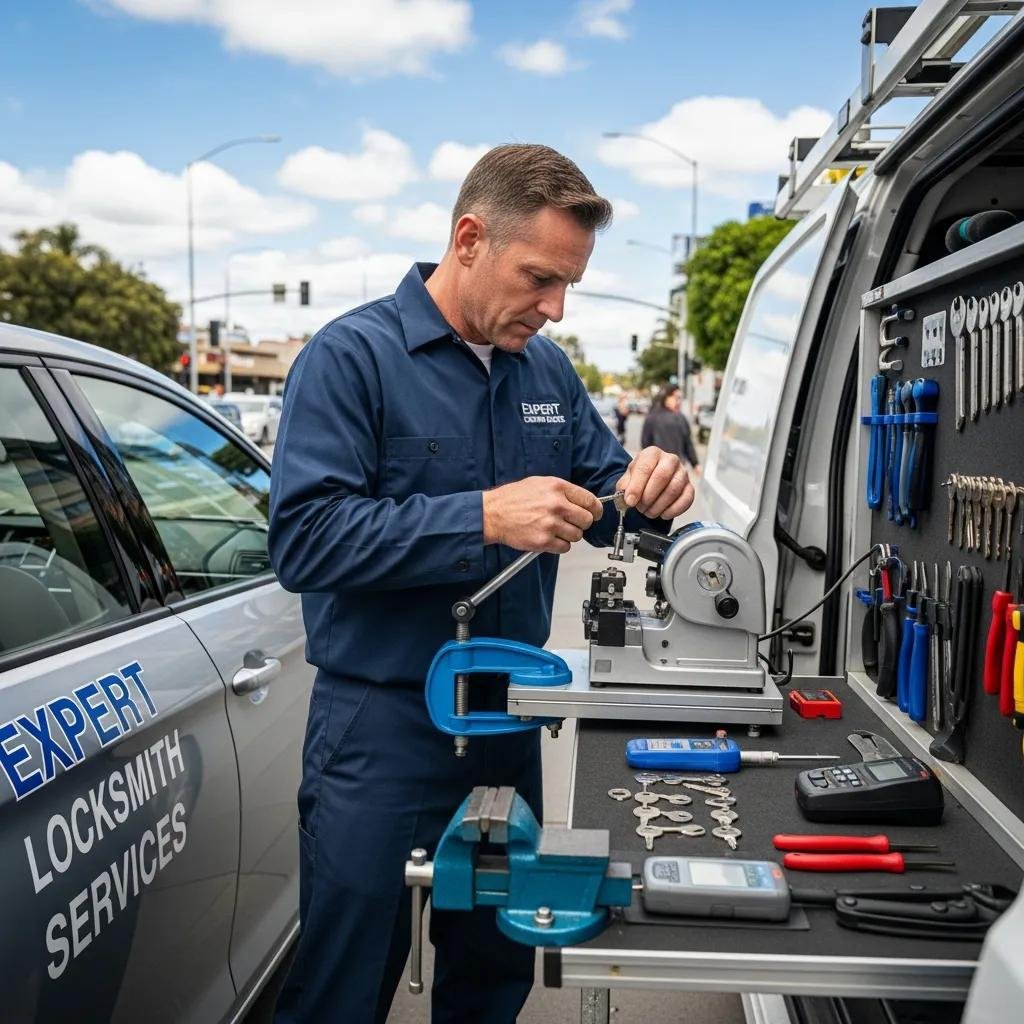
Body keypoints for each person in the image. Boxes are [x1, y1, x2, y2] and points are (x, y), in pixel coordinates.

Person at [267, 143, 695, 1024]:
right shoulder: (351, 359)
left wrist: (650, 495)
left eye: (569, 283)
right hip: (381, 732)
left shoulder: (547, 372)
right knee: (343, 984)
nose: (555, 306)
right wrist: (482, 518)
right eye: (540, 277)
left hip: (511, 721)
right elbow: (303, 541)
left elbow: (606, 500)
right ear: (469, 238)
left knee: (496, 970)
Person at [641, 383, 701, 474]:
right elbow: (646, 445)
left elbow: (688, 443)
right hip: (658, 470)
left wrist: (695, 464)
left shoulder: (680, 417)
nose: (679, 401)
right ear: (666, 397)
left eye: (680, 398)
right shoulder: (653, 417)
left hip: (677, 469)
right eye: (676, 398)